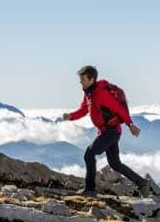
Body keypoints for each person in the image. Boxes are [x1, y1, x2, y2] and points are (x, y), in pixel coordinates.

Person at [63, 65, 150, 198]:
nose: (80, 82)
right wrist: (71, 116)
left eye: (83, 79)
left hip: (111, 131)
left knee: (89, 154)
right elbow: (84, 109)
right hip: (106, 132)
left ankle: (90, 190)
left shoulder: (101, 93)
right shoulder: (89, 93)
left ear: (91, 79)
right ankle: (142, 183)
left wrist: (130, 125)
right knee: (115, 164)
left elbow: (119, 109)